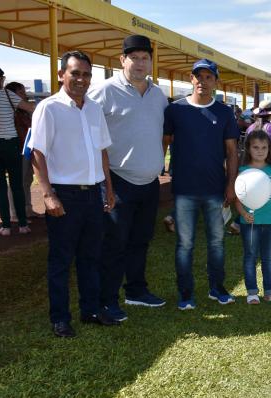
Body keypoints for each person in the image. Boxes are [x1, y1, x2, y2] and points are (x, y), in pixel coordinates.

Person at [28, 51, 121, 337]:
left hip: (93, 194)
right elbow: (37, 152)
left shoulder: (94, 109)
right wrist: (47, 195)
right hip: (65, 196)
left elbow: (102, 150)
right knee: (61, 260)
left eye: (86, 74)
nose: (82, 79)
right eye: (75, 73)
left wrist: (108, 187)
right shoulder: (48, 108)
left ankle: (91, 310)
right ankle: (60, 318)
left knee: (90, 257)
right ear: (61, 75)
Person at [88, 34, 169, 321]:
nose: (139, 63)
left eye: (145, 58)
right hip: (117, 180)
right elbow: (88, 133)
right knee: (114, 244)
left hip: (149, 183)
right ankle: (107, 299)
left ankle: (136, 291)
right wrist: (104, 183)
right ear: (122, 60)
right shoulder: (104, 91)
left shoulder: (158, 95)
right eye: (133, 57)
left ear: (151, 61)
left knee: (140, 241)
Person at [163, 59, 239, 310]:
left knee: (216, 242)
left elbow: (232, 152)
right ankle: (185, 294)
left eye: (208, 77)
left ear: (215, 82)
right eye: (199, 76)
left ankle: (217, 289)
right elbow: (163, 143)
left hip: (215, 190)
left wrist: (231, 184)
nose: (203, 82)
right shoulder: (175, 110)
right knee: (185, 245)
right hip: (184, 190)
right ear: (191, 79)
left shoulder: (225, 112)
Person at [235, 130, 271, 305]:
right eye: (255, 147)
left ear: (269, 149)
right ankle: (252, 292)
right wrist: (243, 214)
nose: (260, 151)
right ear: (248, 148)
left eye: (264, 147)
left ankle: (269, 292)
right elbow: (237, 198)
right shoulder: (243, 171)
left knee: (268, 257)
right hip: (250, 221)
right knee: (250, 256)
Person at [0, 68, 35, 235]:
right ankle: (22, 224)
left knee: (0, 187)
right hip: (12, 144)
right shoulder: (8, 95)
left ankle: (6, 225)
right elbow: (30, 108)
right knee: (17, 185)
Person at [5, 81, 38, 221]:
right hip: (19, 147)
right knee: (17, 181)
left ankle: (27, 209)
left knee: (27, 179)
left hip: (27, 147)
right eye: (21, 92)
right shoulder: (11, 110)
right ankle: (15, 213)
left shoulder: (23, 110)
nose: (24, 95)